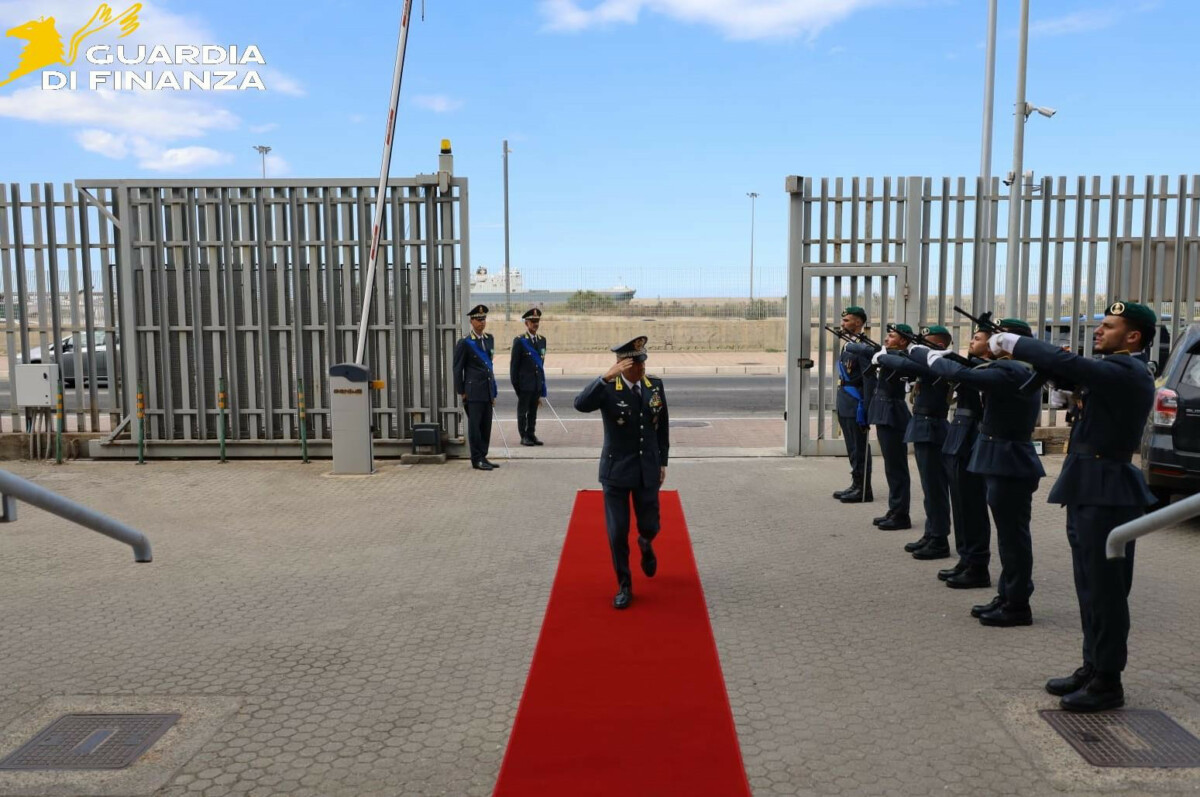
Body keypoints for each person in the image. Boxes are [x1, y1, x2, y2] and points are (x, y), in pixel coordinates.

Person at [994, 301, 1157, 712]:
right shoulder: (1114, 371)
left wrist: (1016, 343)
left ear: (1133, 336)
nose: (1098, 331)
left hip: (1107, 489)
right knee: (1089, 585)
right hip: (1088, 484)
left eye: (1109, 326)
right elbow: (1074, 374)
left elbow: (1073, 365)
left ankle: (1108, 681)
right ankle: (1093, 666)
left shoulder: (1129, 370)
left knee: (1106, 589)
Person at [915, 318, 1045, 627]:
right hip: (1002, 458)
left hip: (1010, 460)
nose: (992, 342)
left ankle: (1016, 602)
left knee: (1013, 538)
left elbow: (963, 374)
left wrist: (928, 355)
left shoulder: (1014, 370)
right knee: (1009, 537)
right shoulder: (1008, 368)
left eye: (999, 338)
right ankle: (1008, 595)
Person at [574, 336, 670, 610]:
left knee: (650, 525)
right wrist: (605, 377)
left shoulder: (654, 386)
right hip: (616, 470)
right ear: (622, 365)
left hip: (647, 469)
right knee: (617, 532)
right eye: (635, 363)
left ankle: (645, 543)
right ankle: (624, 584)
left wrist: (662, 461)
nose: (642, 367)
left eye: (643, 361)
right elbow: (580, 404)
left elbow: (662, 426)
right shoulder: (608, 388)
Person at [878, 325, 952, 551]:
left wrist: (882, 356)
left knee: (935, 488)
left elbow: (904, 364)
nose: (919, 346)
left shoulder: (939, 362)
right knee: (930, 488)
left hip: (932, 428)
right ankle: (931, 533)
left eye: (925, 342)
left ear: (939, 346)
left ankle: (939, 538)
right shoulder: (930, 362)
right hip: (924, 426)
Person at [863, 325, 912, 529]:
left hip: (893, 414)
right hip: (885, 413)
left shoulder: (902, 358)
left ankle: (901, 514)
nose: (886, 339)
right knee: (891, 467)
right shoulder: (889, 355)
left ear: (903, 341)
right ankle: (895, 509)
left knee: (896, 467)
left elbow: (899, 364)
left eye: (891, 336)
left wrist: (882, 356)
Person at [833, 306, 876, 503]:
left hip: (856, 403)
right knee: (852, 447)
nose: (842, 324)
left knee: (859, 447)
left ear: (858, 323)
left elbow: (869, 379)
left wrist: (866, 408)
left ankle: (864, 489)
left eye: (846, 321)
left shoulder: (863, 347)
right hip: (845, 401)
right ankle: (856, 483)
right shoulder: (848, 344)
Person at [453, 304, 500, 471]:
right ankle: (476, 459)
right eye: (478, 319)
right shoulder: (465, 342)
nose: (481, 322)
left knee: (486, 427)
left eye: (483, 319)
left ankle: (483, 456)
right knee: (475, 428)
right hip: (473, 392)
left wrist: (493, 391)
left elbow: (489, 367)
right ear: (471, 321)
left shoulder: (489, 339)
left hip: (486, 390)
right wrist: (462, 391)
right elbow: (457, 369)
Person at [510, 307, 547, 446]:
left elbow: (541, 364)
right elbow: (514, 367)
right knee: (523, 412)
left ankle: (531, 434)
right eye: (532, 321)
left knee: (533, 412)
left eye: (537, 321)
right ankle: (523, 436)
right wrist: (517, 387)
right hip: (525, 384)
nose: (535, 324)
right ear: (526, 323)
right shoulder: (520, 341)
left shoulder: (542, 340)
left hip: (536, 384)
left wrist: (541, 384)